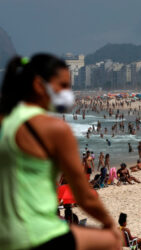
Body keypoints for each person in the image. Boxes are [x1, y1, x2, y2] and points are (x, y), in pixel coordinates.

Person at [0, 54, 122, 249]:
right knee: (113, 241)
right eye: (63, 86)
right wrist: (109, 223)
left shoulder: (5, 121)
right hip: (38, 234)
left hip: (5, 236)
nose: (68, 93)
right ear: (39, 85)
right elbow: (85, 197)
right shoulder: (55, 129)